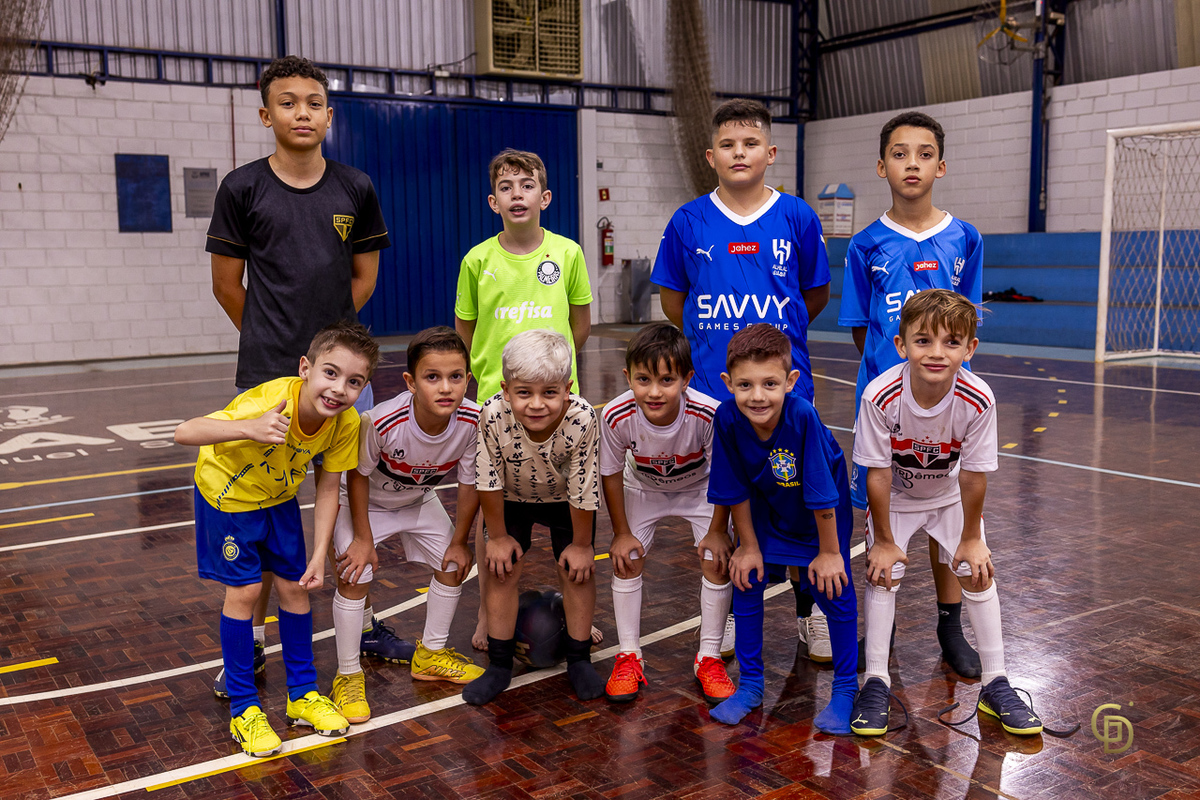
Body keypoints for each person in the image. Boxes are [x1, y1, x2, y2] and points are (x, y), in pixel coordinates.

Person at [205, 55, 392, 694]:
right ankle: (253, 643)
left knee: (346, 501)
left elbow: (363, 278)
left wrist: (331, 353)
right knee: (261, 509)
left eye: (313, 103)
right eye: (287, 103)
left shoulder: (355, 187)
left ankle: (357, 623)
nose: (301, 113)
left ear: (329, 115)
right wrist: (273, 344)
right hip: (268, 373)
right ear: (266, 115)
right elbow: (227, 286)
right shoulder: (241, 188)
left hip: (339, 375)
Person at [652, 98, 833, 662]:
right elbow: (674, 301)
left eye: (750, 143)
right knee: (727, 503)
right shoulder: (688, 221)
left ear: (770, 153)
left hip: (783, 394)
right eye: (727, 145)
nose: (739, 153)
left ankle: (810, 613)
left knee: (797, 500)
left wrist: (774, 351)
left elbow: (814, 295)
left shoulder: (798, 216)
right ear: (710, 156)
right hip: (714, 391)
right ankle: (726, 612)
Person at [174, 321, 379, 757]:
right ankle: (244, 709)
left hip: (278, 497)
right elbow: (185, 432)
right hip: (228, 495)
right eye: (330, 373)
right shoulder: (269, 400)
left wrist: (320, 554)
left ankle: (302, 695)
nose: (339, 389)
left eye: (354, 381)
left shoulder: (345, 423)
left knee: (297, 586)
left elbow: (329, 488)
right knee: (246, 591)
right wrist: (248, 427)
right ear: (305, 368)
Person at [850, 289, 1042, 737]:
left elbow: (973, 476)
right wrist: (883, 541)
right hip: (897, 498)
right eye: (923, 341)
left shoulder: (978, 398)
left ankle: (996, 683)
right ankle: (875, 680)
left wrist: (972, 539)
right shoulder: (880, 395)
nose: (936, 353)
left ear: (969, 349)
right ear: (901, 345)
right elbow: (877, 474)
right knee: (883, 573)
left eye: (951, 342)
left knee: (977, 571)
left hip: (949, 496)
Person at [837, 111, 985, 678]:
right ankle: (885, 625)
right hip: (885, 405)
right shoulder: (865, 244)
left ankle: (951, 625)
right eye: (899, 154)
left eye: (924, 154)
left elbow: (967, 320)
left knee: (946, 511)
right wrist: (891, 372)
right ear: (882, 167)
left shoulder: (965, 238)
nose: (912, 164)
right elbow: (862, 329)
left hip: (945, 404)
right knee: (885, 513)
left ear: (941, 166)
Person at [454, 149, 594, 650]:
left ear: (545, 197)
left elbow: (580, 326)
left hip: (553, 402)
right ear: (493, 201)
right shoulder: (477, 260)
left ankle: (576, 615)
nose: (518, 194)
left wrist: (552, 377)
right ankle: (485, 615)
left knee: (568, 506)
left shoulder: (568, 253)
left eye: (527, 185)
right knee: (492, 507)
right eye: (506, 187)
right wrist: (492, 378)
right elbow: (465, 330)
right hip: (497, 400)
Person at [327, 327, 484, 725]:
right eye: (432, 377)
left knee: (453, 564)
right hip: (364, 503)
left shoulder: (473, 420)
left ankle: (430, 654)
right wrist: (363, 538)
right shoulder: (381, 421)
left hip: (417, 499)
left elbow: (469, 483)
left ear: (468, 378)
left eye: (455, 376)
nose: (445, 387)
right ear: (411, 383)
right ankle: (347, 676)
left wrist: (460, 540)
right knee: (354, 573)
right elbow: (357, 477)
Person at [706, 325, 857, 734]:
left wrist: (830, 553)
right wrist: (748, 545)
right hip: (767, 505)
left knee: (834, 588)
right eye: (745, 385)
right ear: (728, 383)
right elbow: (734, 487)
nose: (758, 396)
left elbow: (821, 492)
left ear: (790, 381)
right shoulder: (727, 418)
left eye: (770, 384)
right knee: (747, 577)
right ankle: (751, 685)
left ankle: (846, 689)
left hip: (821, 516)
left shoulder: (802, 415)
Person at [462, 330, 604, 706]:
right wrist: (497, 538)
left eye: (549, 393)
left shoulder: (582, 418)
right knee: (501, 569)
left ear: (567, 389)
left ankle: (579, 660)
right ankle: (499, 665)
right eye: (524, 392)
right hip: (511, 498)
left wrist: (581, 545)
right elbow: (487, 478)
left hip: (564, 500)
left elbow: (584, 486)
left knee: (577, 570)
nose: (536, 404)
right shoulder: (492, 415)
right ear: (506, 390)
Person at [599, 323, 734, 705]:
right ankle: (628, 655)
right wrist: (620, 532)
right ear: (628, 377)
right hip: (644, 488)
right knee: (627, 559)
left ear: (687, 379)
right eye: (643, 379)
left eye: (666, 380)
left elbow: (724, 476)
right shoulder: (615, 414)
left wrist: (718, 531)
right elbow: (610, 473)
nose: (654, 391)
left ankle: (709, 657)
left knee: (717, 560)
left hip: (700, 489)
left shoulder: (708, 414)